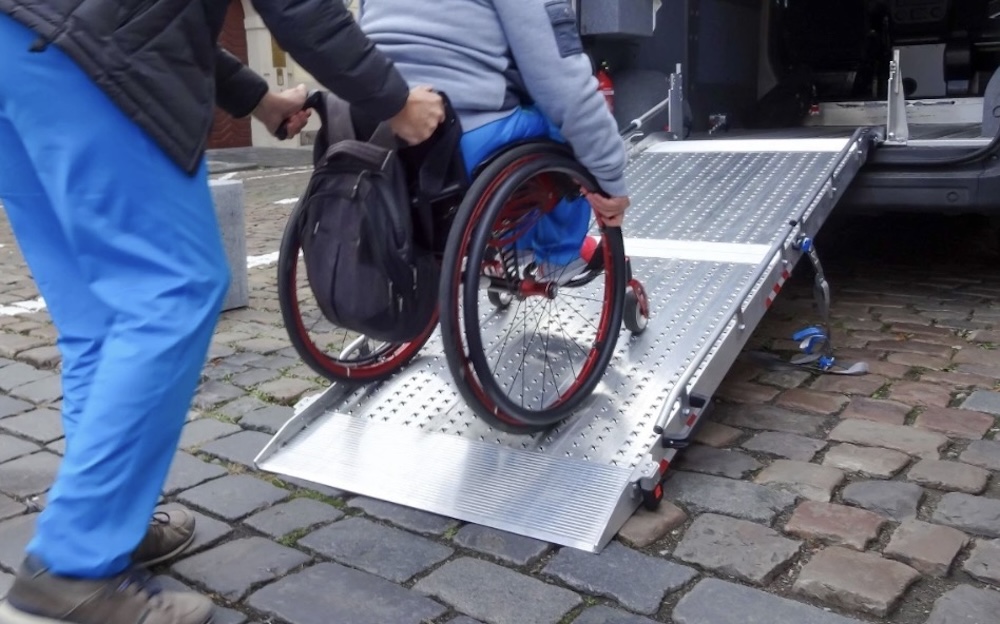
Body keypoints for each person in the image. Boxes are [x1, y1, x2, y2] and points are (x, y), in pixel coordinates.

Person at [0, 0, 444, 622]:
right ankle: (74, 563)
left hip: (18, 49)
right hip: (88, 61)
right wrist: (394, 100)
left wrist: (257, 98)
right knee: (171, 290)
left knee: (97, 320)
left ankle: (105, 519)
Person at [358, 0, 631, 283]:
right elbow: (565, 87)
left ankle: (517, 246)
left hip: (378, 138)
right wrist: (610, 178)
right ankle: (558, 255)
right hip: (458, 142)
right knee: (568, 130)